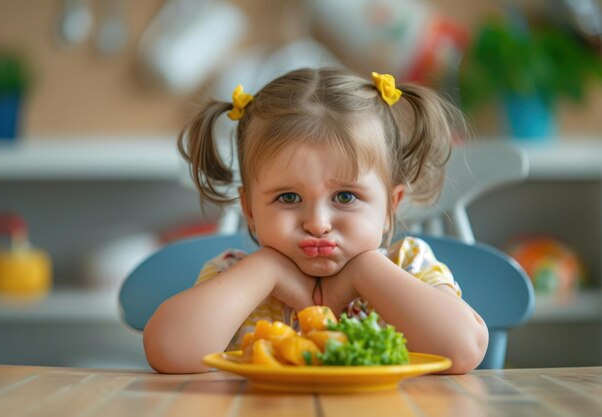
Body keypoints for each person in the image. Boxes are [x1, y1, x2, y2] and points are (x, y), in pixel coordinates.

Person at [143, 67, 488, 374]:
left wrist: (365, 272)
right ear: (249, 208)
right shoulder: (235, 274)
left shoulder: (408, 264)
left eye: (345, 197)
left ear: (389, 207)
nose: (318, 223)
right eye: (288, 198)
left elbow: (464, 349)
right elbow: (168, 351)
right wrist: (268, 270)